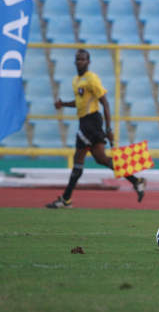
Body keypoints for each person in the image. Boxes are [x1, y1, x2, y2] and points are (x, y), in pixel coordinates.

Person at [46, 49, 146, 208]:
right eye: (78, 59)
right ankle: (136, 181)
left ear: (88, 62)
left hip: (92, 122)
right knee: (102, 159)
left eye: (83, 59)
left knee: (79, 158)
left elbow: (105, 102)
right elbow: (79, 102)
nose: (80, 62)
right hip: (84, 122)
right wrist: (63, 104)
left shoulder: (92, 79)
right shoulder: (76, 80)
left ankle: (66, 199)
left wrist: (108, 128)